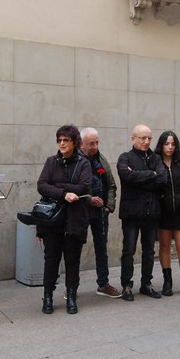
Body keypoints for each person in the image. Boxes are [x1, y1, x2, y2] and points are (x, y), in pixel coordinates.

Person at [37, 125, 91, 314]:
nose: (61, 143)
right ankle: (48, 296)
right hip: (53, 220)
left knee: (72, 260)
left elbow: (85, 187)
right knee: (51, 259)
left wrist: (59, 187)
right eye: (59, 140)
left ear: (74, 142)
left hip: (75, 220)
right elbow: (42, 185)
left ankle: (71, 296)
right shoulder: (51, 162)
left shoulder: (83, 163)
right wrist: (63, 193)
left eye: (65, 140)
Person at [117, 124, 168, 301]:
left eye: (149, 138)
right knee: (128, 250)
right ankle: (126, 285)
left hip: (151, 212)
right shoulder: (125, 158)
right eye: (143, 138)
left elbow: (163, 179)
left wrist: (142, 176)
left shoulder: (155, 158)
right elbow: (127, 177)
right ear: (133, 139)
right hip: (131, 214)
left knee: (149, 251)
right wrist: (151, 174)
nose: (146, 142)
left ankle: (146, 283)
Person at [79, 127, 121, 299]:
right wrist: (89, 199)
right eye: (91, 143)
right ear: (81, 144)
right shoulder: (75, 160)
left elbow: (111, 184)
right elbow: (71, 186)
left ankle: (103, 284)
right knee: (74, 250)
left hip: (100, 213)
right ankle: (71, 286)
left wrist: (109, 206)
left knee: (101, 248)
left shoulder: (100, 159)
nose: (95, 146)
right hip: (80, 212)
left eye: (97, 142)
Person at [154, 131, 180, 297]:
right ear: (161, 145)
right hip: (163, 212)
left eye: (172, 144)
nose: (170, 147)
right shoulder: (155, 162)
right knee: (164, 247)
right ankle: (167, 281)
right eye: (166, 143)